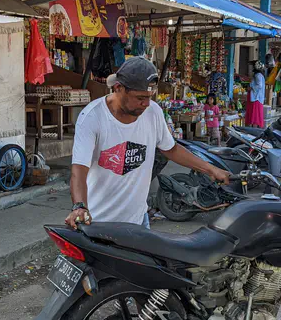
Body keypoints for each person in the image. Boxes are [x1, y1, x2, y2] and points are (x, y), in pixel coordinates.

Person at [66, 58, 230, 230]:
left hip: (139, 221)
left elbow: (171, 149)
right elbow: (79, 171)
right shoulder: (92, 117)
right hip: (99, 223)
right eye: (140, 98)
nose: (146, 104)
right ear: (118, 88)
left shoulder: (153, 112)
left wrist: (210, 168)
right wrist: (79, 206)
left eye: (149, 97)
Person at [247, 60, 266, 128]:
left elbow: (259, 85)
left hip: (256, 98)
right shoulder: (259, 75)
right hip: (256, 97)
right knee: (255, 116)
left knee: (255, 117)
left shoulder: (258, 75)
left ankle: (253, 130)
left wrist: (251, 88)